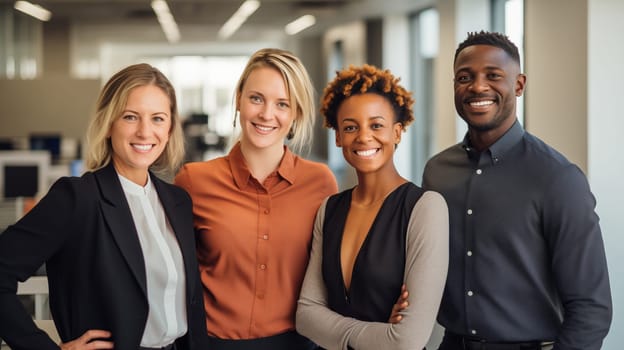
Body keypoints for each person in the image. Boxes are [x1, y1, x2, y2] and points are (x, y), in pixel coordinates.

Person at [422, 31, 612, 350]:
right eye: (465, 77)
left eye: (493, 76)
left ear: (519, 85)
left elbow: (591, 309)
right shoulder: (437, 172)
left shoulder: (558, 178)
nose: (478, 86)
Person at [0, 63, 206, 350]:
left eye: (158, 118)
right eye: (131, 117)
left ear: (170, 128)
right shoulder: (78, 198)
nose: (145, 132)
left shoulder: (178, 201)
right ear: (109, 123)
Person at [174, 48, 338, 350]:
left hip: (297, 344)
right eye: (256, 98)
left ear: (297, 113)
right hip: (211, 344)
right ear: (238, 99)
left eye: (282, 104)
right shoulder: (193, 181)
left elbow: (336, 271)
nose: (266, 114)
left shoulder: (320, 183)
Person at [296, 64, 449, 350]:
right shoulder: (329, 209)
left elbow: (408, 341)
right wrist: (377, 333)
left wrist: (333, 327)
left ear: (398, 132)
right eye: (351, 127)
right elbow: (306, 316)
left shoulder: (425, 208)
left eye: (376, 125)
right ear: (338, 136)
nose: (364, 137)